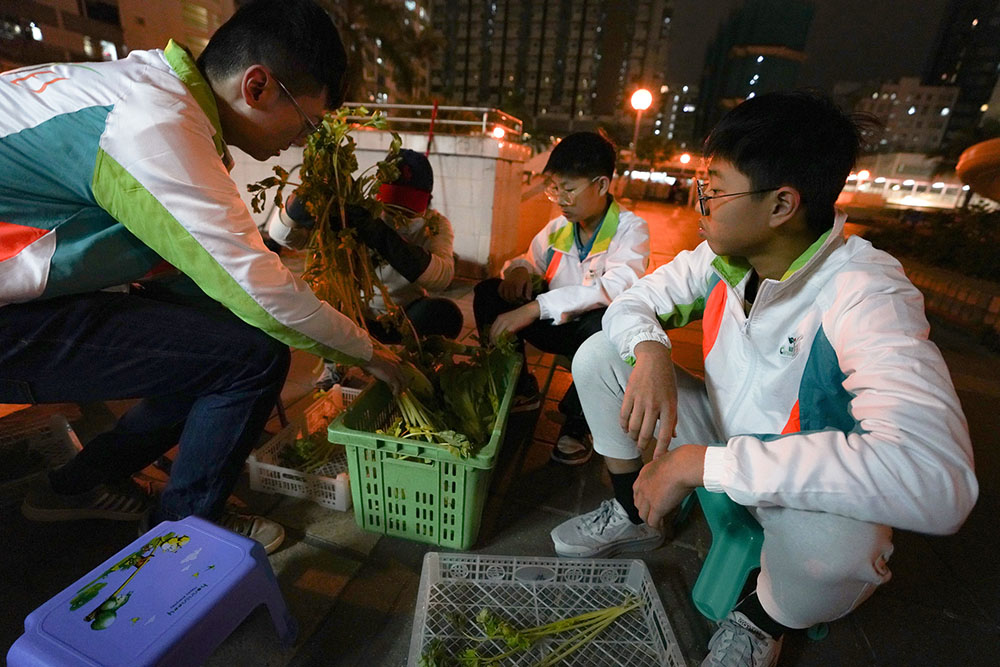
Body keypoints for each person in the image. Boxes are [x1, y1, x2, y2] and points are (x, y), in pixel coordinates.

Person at [551, 92, 978, 666]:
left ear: (781, 205)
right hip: (718, 435)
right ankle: (635, 514)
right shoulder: (722, 259)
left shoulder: (866, 292)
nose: (700, 203)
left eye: (715, 189)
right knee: (602, 354)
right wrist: (650, 348)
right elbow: (631, 303)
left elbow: (938, 479)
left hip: (794, 473)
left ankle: (762, 619)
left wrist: (699, 465)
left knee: (839, 548)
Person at [0, 0, 403, 555]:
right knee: (253, 358)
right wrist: (373, 354)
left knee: (223, 346)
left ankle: (78, 484)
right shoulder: (152, 124)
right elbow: (259, 290)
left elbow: (194, 270)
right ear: (257, 86)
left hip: (26, 303)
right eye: (307, 124)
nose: (302, 141)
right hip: (11, 322)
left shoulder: (147, 96)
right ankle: (186, 529)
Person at [473, 131, 650, 465]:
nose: (561, 199)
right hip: (552, 325)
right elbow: (531, 259)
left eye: (569, 189)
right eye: (554, 188)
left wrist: (535, 307)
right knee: (488, 293)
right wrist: (519, 270)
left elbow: (616, 287)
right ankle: (520, 387)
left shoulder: (631, 230)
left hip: (589, 334)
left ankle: (578, 424)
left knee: (607, 323)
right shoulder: (559, 228)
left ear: (601, 185)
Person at [268, 148, 463, 388]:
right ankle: (334, 368)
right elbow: (283, 237)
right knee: (326, 301)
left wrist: (381, 236)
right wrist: (293, 211)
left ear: (427, 199)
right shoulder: (357, 212)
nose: (397, 214)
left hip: (404, 315)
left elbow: (442, 277)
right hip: (356, 316)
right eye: (391, 204)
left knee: (444, 314)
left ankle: (417, 360)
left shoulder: (435, 225)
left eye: (408, 206)